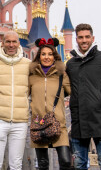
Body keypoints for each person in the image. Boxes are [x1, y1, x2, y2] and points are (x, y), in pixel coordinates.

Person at [0, 31, 31, 170]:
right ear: (2, 43)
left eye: (14, 42)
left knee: (16, 164)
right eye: (8, 41)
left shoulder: (28, 64)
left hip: (20, 122)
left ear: (18, 43)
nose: (11, 45)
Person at [66, 23, 101, 170]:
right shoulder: (71, 64)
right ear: (76, 39)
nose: (84, 40)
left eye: (87, 37)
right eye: (80, 37)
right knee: (79, 164)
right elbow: (66, 87)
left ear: (92, 38)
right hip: (78, 121)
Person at [29, 37, 71, 170]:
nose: (46, 57)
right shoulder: (32, 75)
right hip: (39, 124)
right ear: (38, 56)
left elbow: (71, 91)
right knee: (42, 164)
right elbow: (23, 93)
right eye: (43, 54)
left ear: (54, 56)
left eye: (50, 54)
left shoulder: (61, 75)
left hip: (58, 123)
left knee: (65, 161)